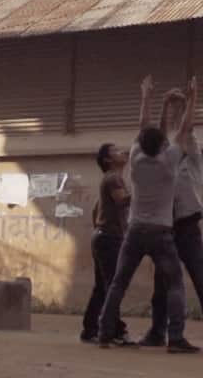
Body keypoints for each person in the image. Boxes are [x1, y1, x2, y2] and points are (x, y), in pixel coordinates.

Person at [97, 75, 201, 354]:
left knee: (119, 282)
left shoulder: (135, 158)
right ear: (163, 146)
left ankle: (104, 333)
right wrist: (192, 99)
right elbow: (184, 129)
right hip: (161, 232)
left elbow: (143, 125)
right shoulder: (169, 161)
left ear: (142, 144)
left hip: (134, 229)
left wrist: (148, 97)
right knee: (175, 284)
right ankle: (176, 338)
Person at [138, 78, 203, 352]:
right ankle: (157, 333)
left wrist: (192, 99)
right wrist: (166, 104)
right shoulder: (165, 159)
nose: (178, 139)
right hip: (166, 228)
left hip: (188, 228)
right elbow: (158, 134)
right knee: (161, 287)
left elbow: (185, 128)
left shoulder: (191, 157)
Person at [79, 142, 132, 345]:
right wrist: (147, 194)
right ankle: (115, 330)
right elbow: (121, 201)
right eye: (117, 151)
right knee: (113, 286)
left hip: (104, 237)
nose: (124, 152)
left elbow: (96, 209)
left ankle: (90, 329)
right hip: (109, 239)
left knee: (103, 287)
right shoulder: (113, 178)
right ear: (108, 160)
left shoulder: (112, 179)